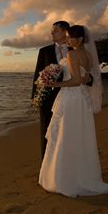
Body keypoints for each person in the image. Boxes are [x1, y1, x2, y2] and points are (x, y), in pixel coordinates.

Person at [38, 25, 108, 197]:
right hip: (82, 100)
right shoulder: (87, 54)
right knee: (79, 136)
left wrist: (54, 84)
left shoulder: (72, 54)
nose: (67, 40)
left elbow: (76, 81)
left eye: (70, 37)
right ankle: (82, 176)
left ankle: (64, 179)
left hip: (71, 98)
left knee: (66, 136)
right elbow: (87, 78)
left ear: (79, 39)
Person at [32, 21, 70, 160]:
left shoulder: (74, 50)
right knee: (46, 129)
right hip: (47, 96)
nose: (52, 33)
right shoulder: (44, 51)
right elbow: (37, 75)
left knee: (65, 129)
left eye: (55, 31)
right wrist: (35, 96)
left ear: (65, 32)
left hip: (68, 96)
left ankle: (63, 159)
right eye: (52, 31)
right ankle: (46, 162)